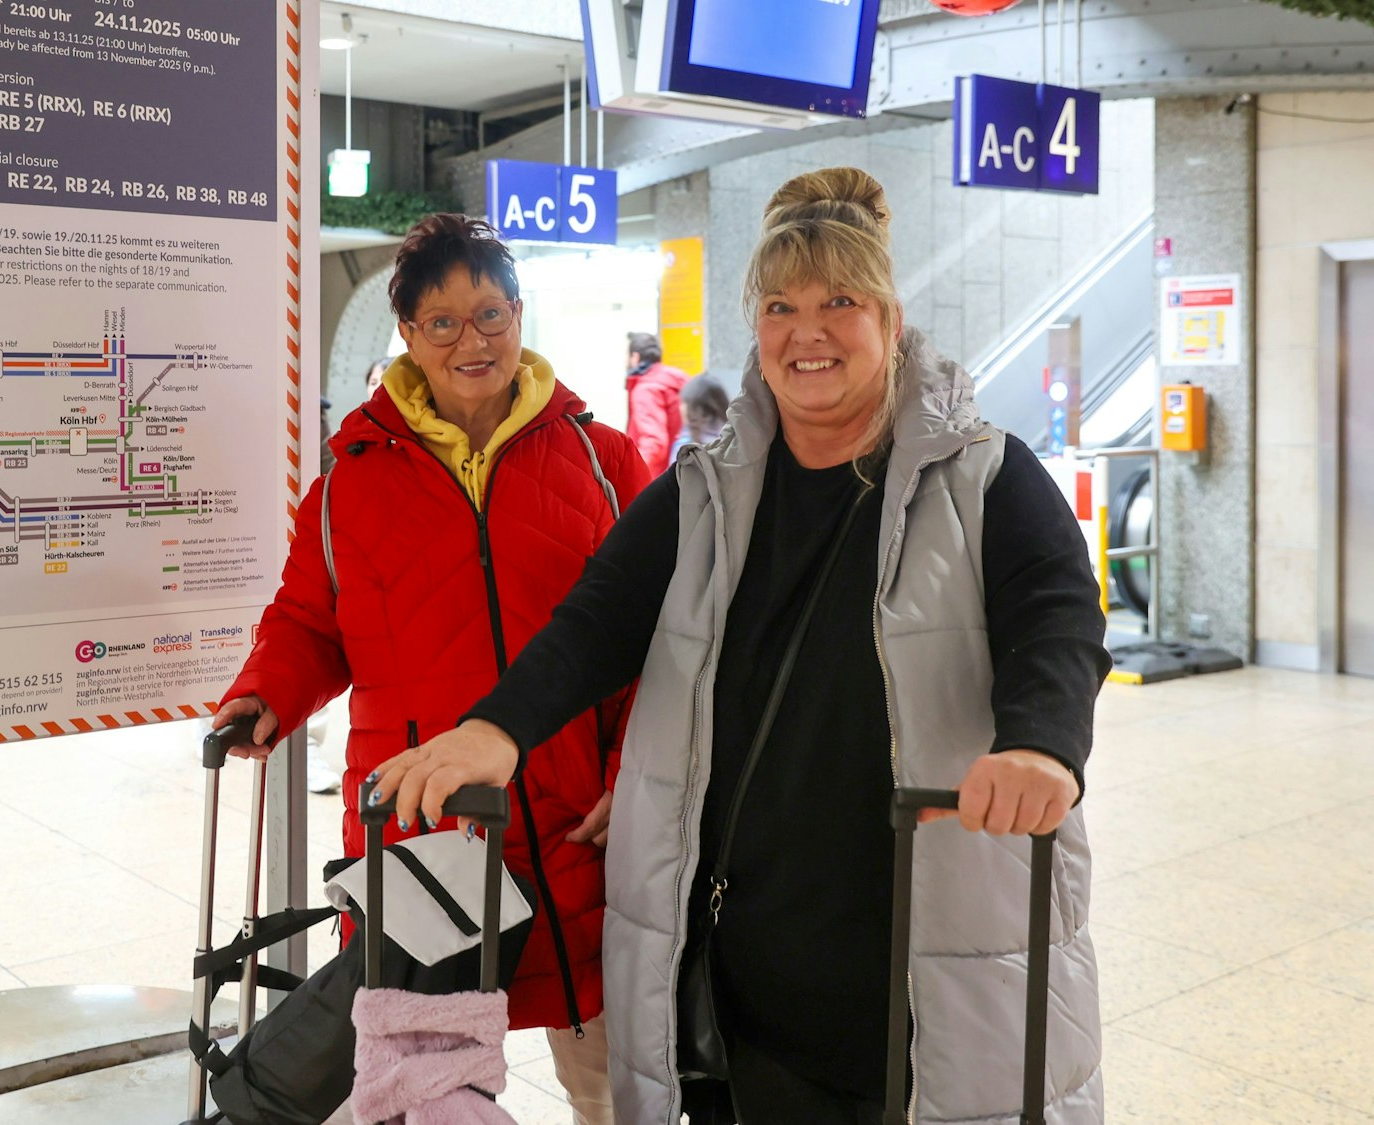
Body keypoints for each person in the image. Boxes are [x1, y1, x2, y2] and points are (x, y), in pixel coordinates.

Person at [368, 169, 1108, 1124]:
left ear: (886, 315)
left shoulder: (985, 477)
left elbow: (1056, 610)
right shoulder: (701, 492)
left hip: (915, 966)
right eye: (780, 305)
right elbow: (598, 620)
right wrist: (498, 730)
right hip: (735, 982)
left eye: (839, 301)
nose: (809, 331)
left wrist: (1042, 741)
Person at [213, 213, 652, 1125]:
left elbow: (659, 640)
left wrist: (634, 778)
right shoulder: (350, 485)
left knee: (609, 1085)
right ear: (407, 333)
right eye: (442, 322)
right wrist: (264, 693)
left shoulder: (602, 464)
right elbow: (307, 621)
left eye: (490, 314)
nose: (471, 341)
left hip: (581, 829)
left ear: (520, 315)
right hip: (424, 832)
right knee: (423, 1089)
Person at [624, 331, 689, 473]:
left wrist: (630, 474)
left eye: (626, 356)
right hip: (683, 473)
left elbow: (654, 443)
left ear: (635, 357)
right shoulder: (679, 378)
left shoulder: (646, 389)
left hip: (658, 479)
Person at [667, 375, 730, 466]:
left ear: (692, 407)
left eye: (683, 402)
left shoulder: (683, 447)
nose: (680, 407)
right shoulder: (735, 437)